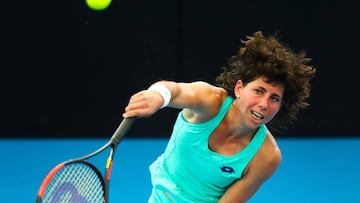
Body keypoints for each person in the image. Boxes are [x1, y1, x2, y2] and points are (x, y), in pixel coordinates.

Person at [122, 31, 316, 203]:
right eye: (259, 91)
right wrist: (158, 96)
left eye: (274, 98)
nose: (264, 104)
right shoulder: (210, 102)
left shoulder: (267, 157)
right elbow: (175, 90)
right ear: (239, 88)